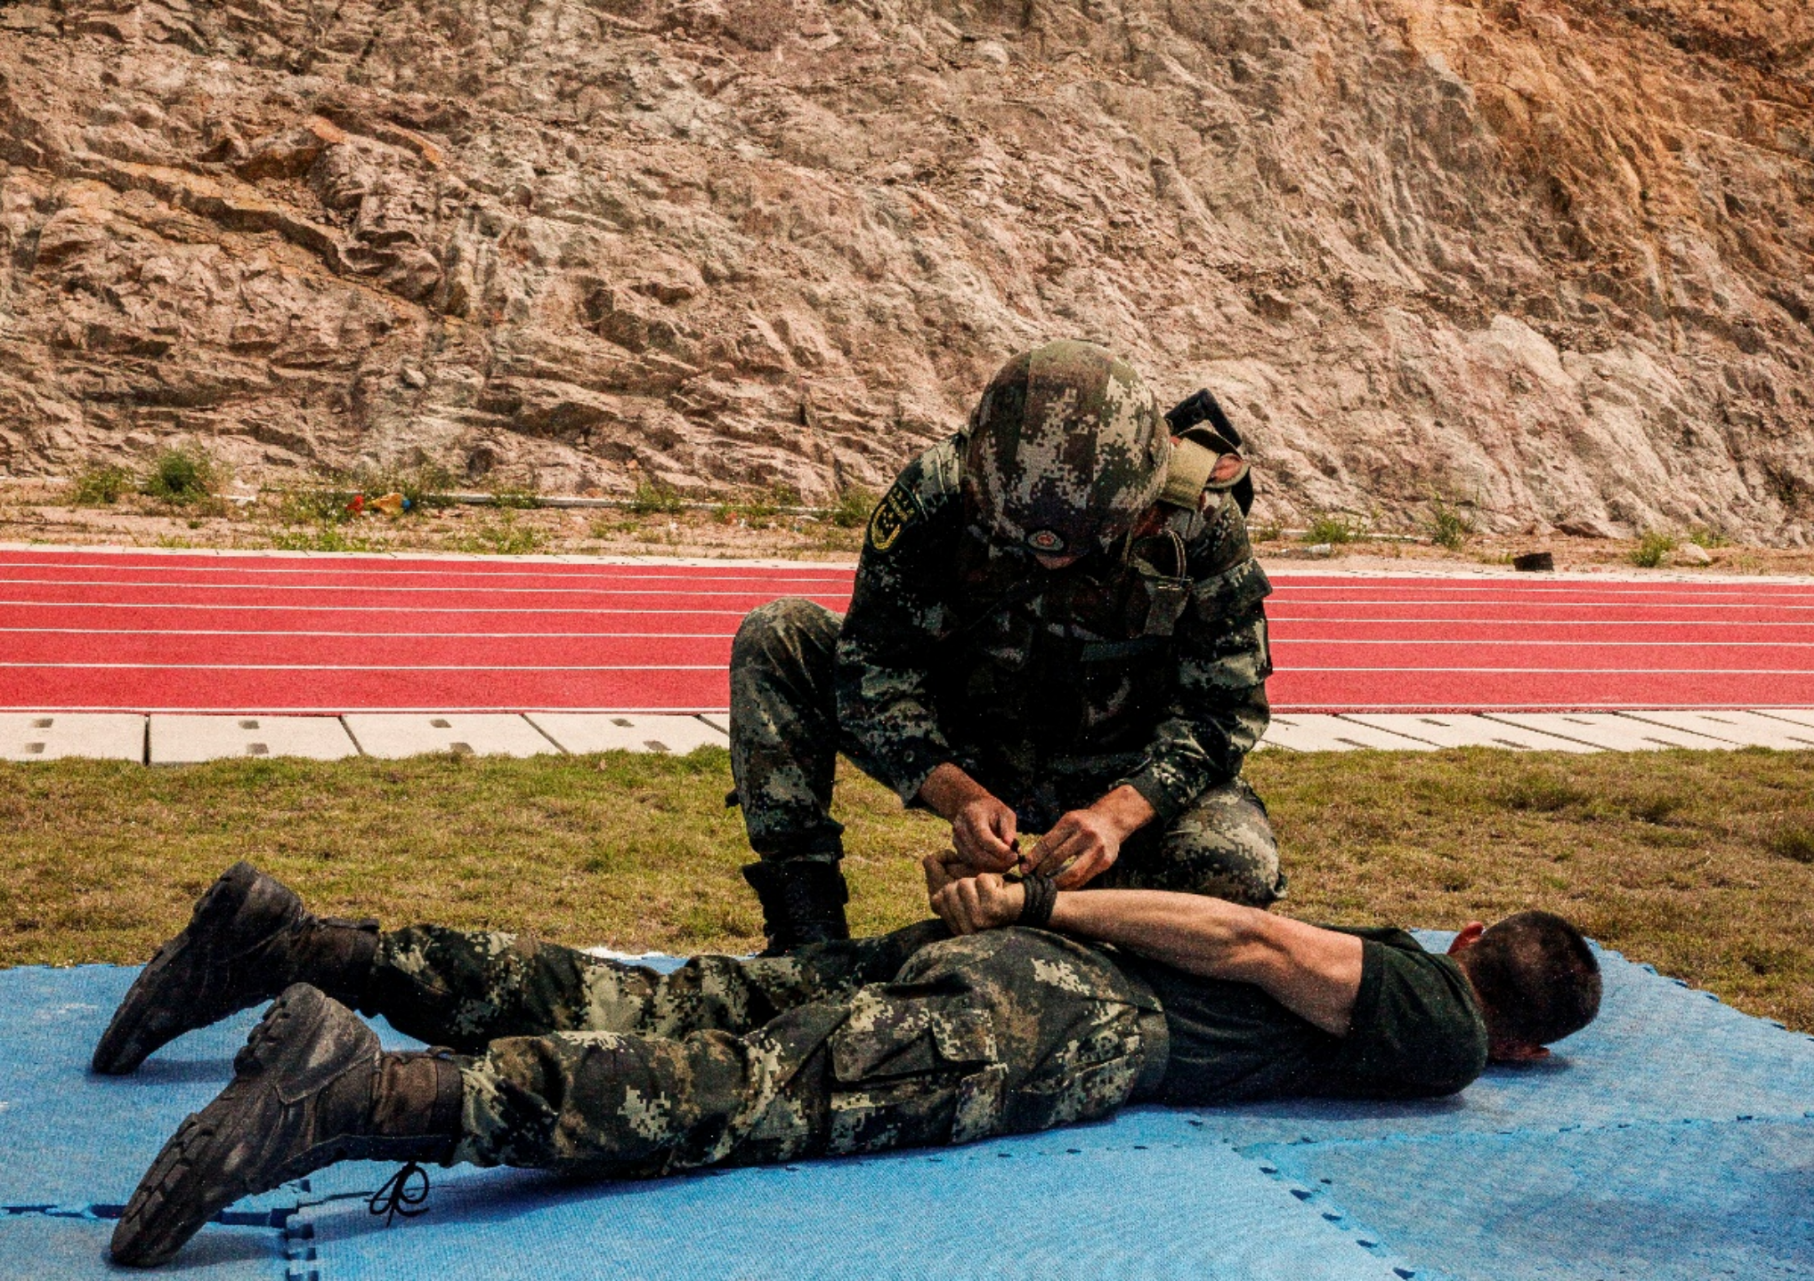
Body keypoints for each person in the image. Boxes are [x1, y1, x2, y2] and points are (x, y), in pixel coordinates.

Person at [97, 861, 1602, 1267]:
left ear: (1472, 926)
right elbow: (1257, 943)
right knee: (752, 1089)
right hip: (1063, 1014)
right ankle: (364, 1095)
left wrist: (1036, 912)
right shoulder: (1442, 1026)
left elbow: (1250, 928)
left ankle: (305, 944)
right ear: (1525, 1039)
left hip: (1028, 975)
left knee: (678, 1009)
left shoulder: (1418, 964)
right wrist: (1043, 908)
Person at [732, 340, 1280, 951]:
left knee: (1235, 866)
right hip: (972, 738)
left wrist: (1115, 817)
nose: (1052, 560)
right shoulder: (939, 493)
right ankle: (806, 933)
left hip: (1118, 762)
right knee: (778, 636)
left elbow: (1222, 709)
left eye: (1084, 542)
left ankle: (1048, 909)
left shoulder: (1198, 517)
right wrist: (957, 794)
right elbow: (875, 670)